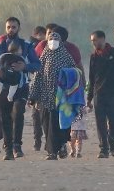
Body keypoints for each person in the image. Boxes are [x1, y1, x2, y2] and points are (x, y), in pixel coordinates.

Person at [0, 17, 41, 160]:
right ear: (6, 28)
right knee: (5, 118)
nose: (11, 29)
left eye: (14, 27)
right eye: (8, 27)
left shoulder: (27, 46)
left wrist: (25, 67)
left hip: (22, 87)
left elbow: (37, 65)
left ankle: (17, 146)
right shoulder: (0, 47)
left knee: (18, 114)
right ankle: (8, 149)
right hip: (3, 87)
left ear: (19, 28)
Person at [29, 28, 78, 160]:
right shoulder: (44, 56)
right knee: (46, 123)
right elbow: (37, 77)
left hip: (62, 98)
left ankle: (56, 149)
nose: (53, 42)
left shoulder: (66, 57)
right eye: (51, 39)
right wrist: (33, 96)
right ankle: (53, 149)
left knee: (59, 124)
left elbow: (75, 74)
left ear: (61, 42)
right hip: (45, 97)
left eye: (56, 39)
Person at [86, 30, 114, 159]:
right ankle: (103, 148)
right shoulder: (94, 56)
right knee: (100, 123)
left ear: (103, 39)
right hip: (99, 94)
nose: (94, 43)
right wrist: (89, 97)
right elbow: (92, 78)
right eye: (92, 41)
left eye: (95, 40)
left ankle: (112, 141)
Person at [28, 25, 46, 151]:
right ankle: (38, 139)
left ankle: (38, 140)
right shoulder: (33, 47)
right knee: (37, 113)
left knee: (39, 114)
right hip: (35, 82)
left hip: (39, 82)